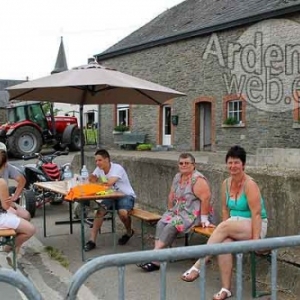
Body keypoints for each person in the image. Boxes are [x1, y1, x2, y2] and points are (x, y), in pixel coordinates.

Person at [181, 145, 268, 300]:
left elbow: (256, 214)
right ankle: (226, 288)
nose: (232, 166)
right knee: (223, 242)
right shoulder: (226, 184)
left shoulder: (250, 184)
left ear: (243, 165)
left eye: (236, 162)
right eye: (230, 162)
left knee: (224, 227)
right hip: (234, 225)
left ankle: (198, 266)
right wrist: (225, 228)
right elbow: (225, 210)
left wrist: (256, 241)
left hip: (255, 225)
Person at [137, 152, 213, 272]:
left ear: (194, 165)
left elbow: (206, 198)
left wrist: (204, 219)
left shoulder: (197, 180)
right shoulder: (178, 177)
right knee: (161, 223)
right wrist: (169, 211)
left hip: (194, 214)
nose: (183, 165)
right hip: (179, 211)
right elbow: (171, 195)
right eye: (181, 163)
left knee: (172, 225)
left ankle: (154, 258)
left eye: (187, 163)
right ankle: (157, 257)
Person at [84, 149, 136, 251]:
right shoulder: (99, 169)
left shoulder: (117, 168)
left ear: (107, 159)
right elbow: (91, 180)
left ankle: (129, 232)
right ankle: (92, 241)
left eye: (99, 160)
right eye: (96, 161)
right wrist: (91, 179)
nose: (97, 163)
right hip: (110, 196)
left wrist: (96, 182)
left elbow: (108, 183)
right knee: (100, 212)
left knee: (123, 213)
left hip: (125, 196)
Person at [0, 154, 36, 267]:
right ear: (5, 164)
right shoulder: (1, 182)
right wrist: (10, 201)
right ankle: (9, 249)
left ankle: (13, 251)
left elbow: (22, 180)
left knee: (20, 215)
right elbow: (6, 206)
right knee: (30, 229)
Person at [0, 143, 31, 221]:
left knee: (26, 216)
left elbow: (22, 180)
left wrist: (15, 197)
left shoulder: (7, 167)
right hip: (3, 206)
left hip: (4, 203)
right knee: (17, 216)